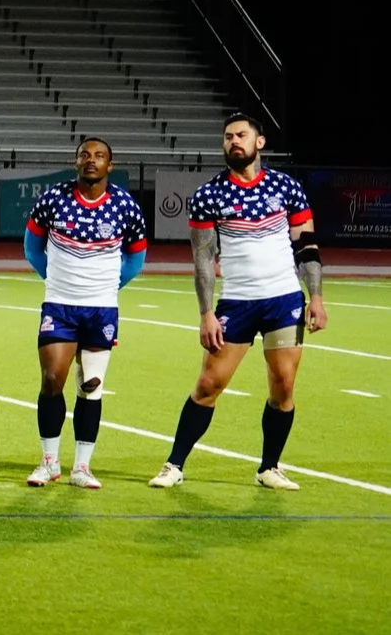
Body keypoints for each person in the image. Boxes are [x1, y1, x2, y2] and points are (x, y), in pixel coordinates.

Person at [150, 114, 324, 491]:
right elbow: (202, 260)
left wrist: (316, 298)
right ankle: (174, 464)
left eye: (242, 135)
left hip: (283, 300)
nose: (234, 142)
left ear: (259, 142)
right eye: (228, 136)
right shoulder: (209, 195)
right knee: (209, 383)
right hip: (237, 303)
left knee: (284, 384)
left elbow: (306, 246)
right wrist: (206, 313)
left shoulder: (286, 187)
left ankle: (269, 468)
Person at [22, 137, 146, 489]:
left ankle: (82, 467)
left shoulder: (125, 205)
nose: (91, 161)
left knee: (91, 386)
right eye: (85, 155)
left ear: (111, 164)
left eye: (99, 156)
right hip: (60, 305)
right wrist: (54, 278)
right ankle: (48, 462)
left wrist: (109, 286)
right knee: (51, 380)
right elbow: (32, 246)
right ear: (75, 162)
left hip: (101, 310)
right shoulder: (53, 199)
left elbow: (136, 257)